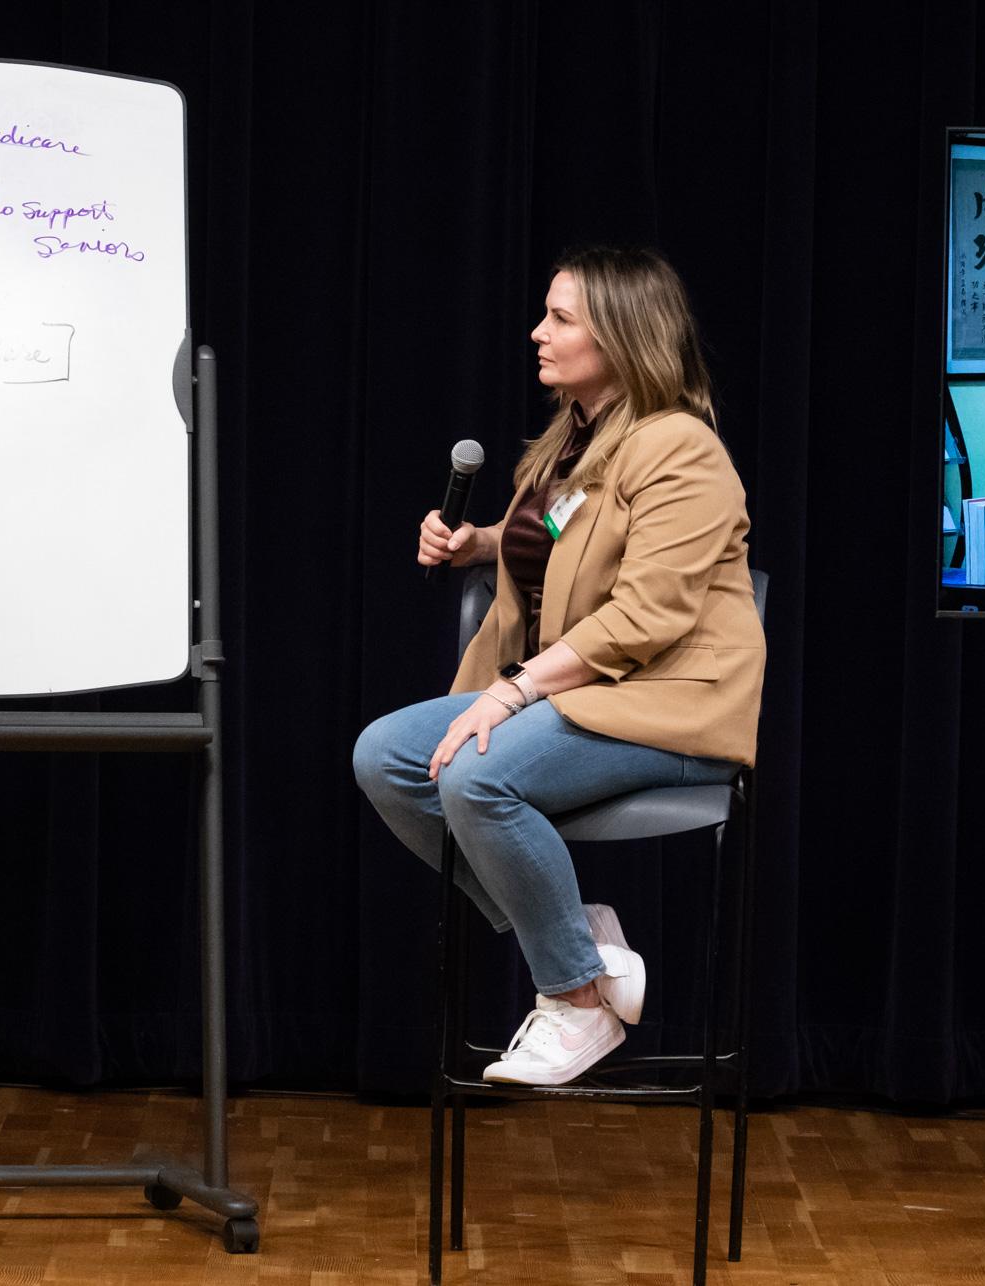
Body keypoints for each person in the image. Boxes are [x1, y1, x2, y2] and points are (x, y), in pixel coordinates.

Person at [351, 246, 764, 1086]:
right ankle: (579, 932)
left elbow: (646, 612)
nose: (537, 332)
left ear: (619, 337)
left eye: (560, 318)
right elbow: (571, 542)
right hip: (577, 693)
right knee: (387, 760)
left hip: (666, 701)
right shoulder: (577, 443)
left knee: (477, 779)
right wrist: (480, 545)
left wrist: (508, 695)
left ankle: (575, 1001)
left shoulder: (681, 450)